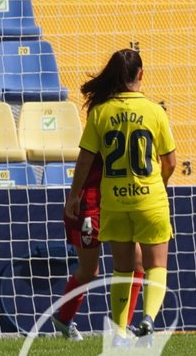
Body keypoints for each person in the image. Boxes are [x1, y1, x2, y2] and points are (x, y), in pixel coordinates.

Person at [64, 48, 177, 340]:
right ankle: (149, 319)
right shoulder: (155, 111)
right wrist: (160, 183)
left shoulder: (100, 112)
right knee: (156, 264)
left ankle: (119, 331)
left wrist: (74, 195)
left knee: (123, 268)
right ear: (141, 74)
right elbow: (171, 162)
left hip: (113, 200)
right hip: (149, 197)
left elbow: (85, 159)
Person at [52, 143, 143, 340]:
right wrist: (74, 196)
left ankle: (124, 325)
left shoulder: (131, 120)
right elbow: (84, 159)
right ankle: (63, 318)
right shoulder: (100, 120)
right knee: (90, 271)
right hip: (90, 206)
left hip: (119, 202)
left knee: (137, 262)